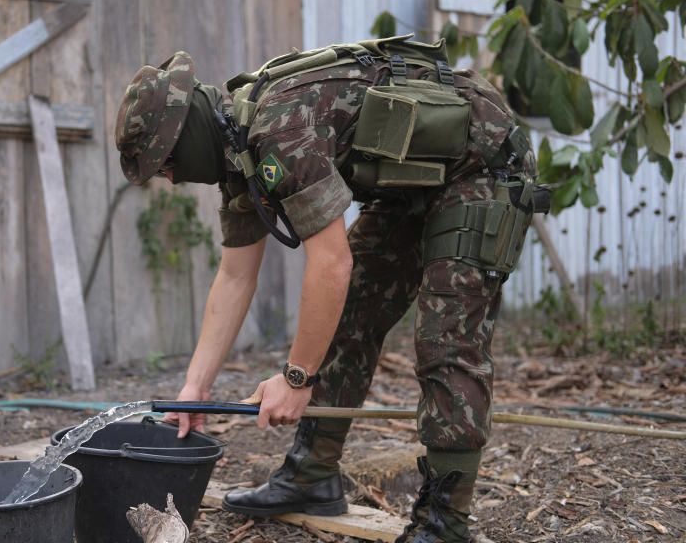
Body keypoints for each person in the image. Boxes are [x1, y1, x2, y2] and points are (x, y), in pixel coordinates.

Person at [115, 37, 545, 543]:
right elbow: (235, 275)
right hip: (412, 186)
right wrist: (194, 388)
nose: (168, 179)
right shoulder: (238, 151)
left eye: (165, 164)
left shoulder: (278, 131)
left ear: (186, 134)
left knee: (447, 340)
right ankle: (313, 475)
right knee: (346, 316)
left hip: (483, 168)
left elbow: (332, 262)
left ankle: (445, 522)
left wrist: (296, 378)